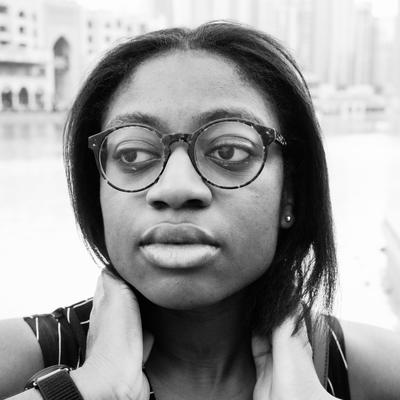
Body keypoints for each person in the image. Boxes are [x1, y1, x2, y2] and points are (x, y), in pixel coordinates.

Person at [0, 21, 399, 400]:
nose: (176, 189)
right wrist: (89, 389)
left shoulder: (375, 371)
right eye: (133, 154)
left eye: (229, 152)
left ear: (289, 193)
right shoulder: (20, 359)